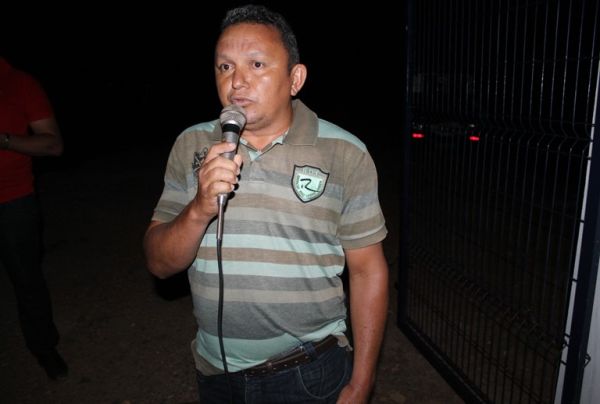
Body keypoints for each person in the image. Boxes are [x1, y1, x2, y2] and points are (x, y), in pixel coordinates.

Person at [144, 4, 388, 403]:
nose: (237, 81)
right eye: (225, 67)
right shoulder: (191, 145)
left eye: (256, 64)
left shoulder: (345, 153)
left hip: (310, 372)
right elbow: (159, 263)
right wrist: (199, 209)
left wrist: (362, 382)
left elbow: (367, 270)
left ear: (295, 78)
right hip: (215, 372)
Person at [0, 56, 68, 380]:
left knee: (26, 280)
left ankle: (43, 347)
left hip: (11, 201)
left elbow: (53, 144)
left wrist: (4, 140)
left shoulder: (19, 83)